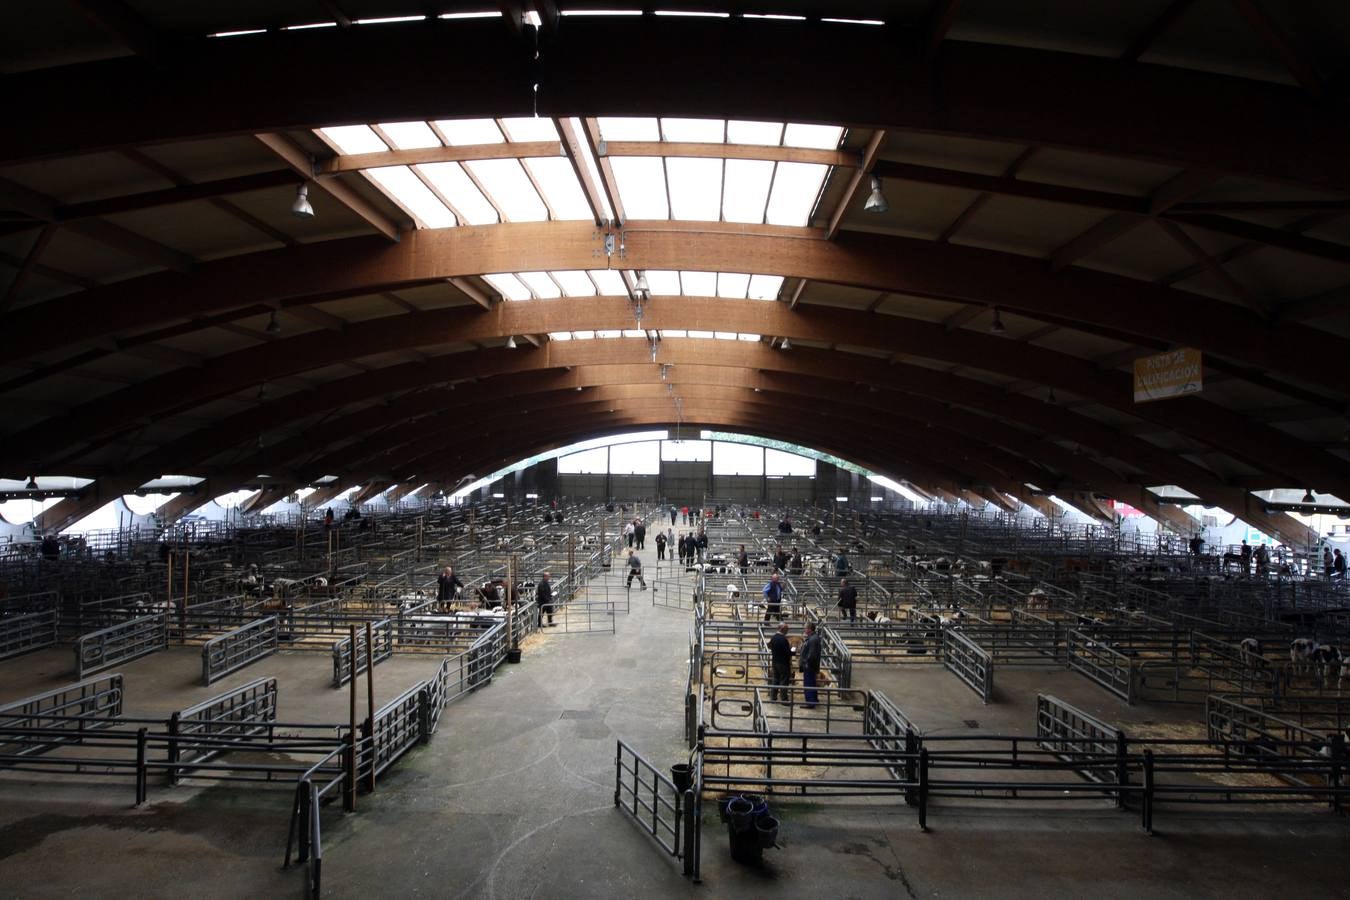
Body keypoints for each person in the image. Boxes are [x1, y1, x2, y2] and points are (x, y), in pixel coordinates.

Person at [768, 623, 793, 703]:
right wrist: (793, 651)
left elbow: (769, 646)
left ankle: (773, 697)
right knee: (784, 681)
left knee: (775, 679)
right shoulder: (783, 639)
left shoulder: (774, 637)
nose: (787, 631)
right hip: (783, 663)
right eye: (786, 629)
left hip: (775, 662)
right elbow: (787, 652)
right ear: (782, 629)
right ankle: (784, 699)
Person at [799, 622, 822, 708]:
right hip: (810, 665)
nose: (804, 630)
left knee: (809, 683)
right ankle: (814, 700)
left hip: (809, 666)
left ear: (809, 629)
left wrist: (805, 662)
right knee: (811, 683)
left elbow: (811, 655)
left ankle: (810, 702)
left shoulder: (813, 639)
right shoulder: (813, 638)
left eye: (805, 628)